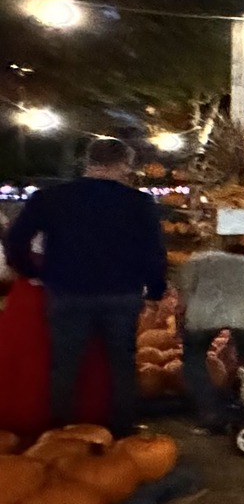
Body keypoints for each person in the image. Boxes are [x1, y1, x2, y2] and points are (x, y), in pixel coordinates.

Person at [3, 137, 168, 436]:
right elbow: (153, 251)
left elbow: (15, 240)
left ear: (89, 162)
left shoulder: (51, 197)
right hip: (121, 293)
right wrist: (155, 289)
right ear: (124, 166)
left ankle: (60, 432)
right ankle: (120, 430)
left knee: (65, 364)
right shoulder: (139, 203)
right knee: (121, 363)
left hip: (67, 291)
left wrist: (31, 271)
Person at [171, 240, 244, 431]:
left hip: (205, 311)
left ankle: (210, 414)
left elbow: (182, 297)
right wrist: (234, 343)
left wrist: (180, 327)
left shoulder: (199, 260)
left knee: (194, 357)